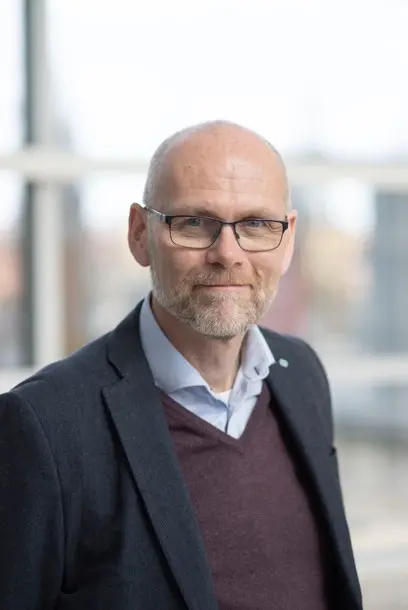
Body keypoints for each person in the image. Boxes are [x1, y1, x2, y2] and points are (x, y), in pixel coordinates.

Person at [0, 120, 362, 610]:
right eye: (194, 222)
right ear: (138, 234)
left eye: (256, 224)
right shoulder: (42, 426)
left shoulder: (301, 373)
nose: (227, 254)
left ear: (288, 238)